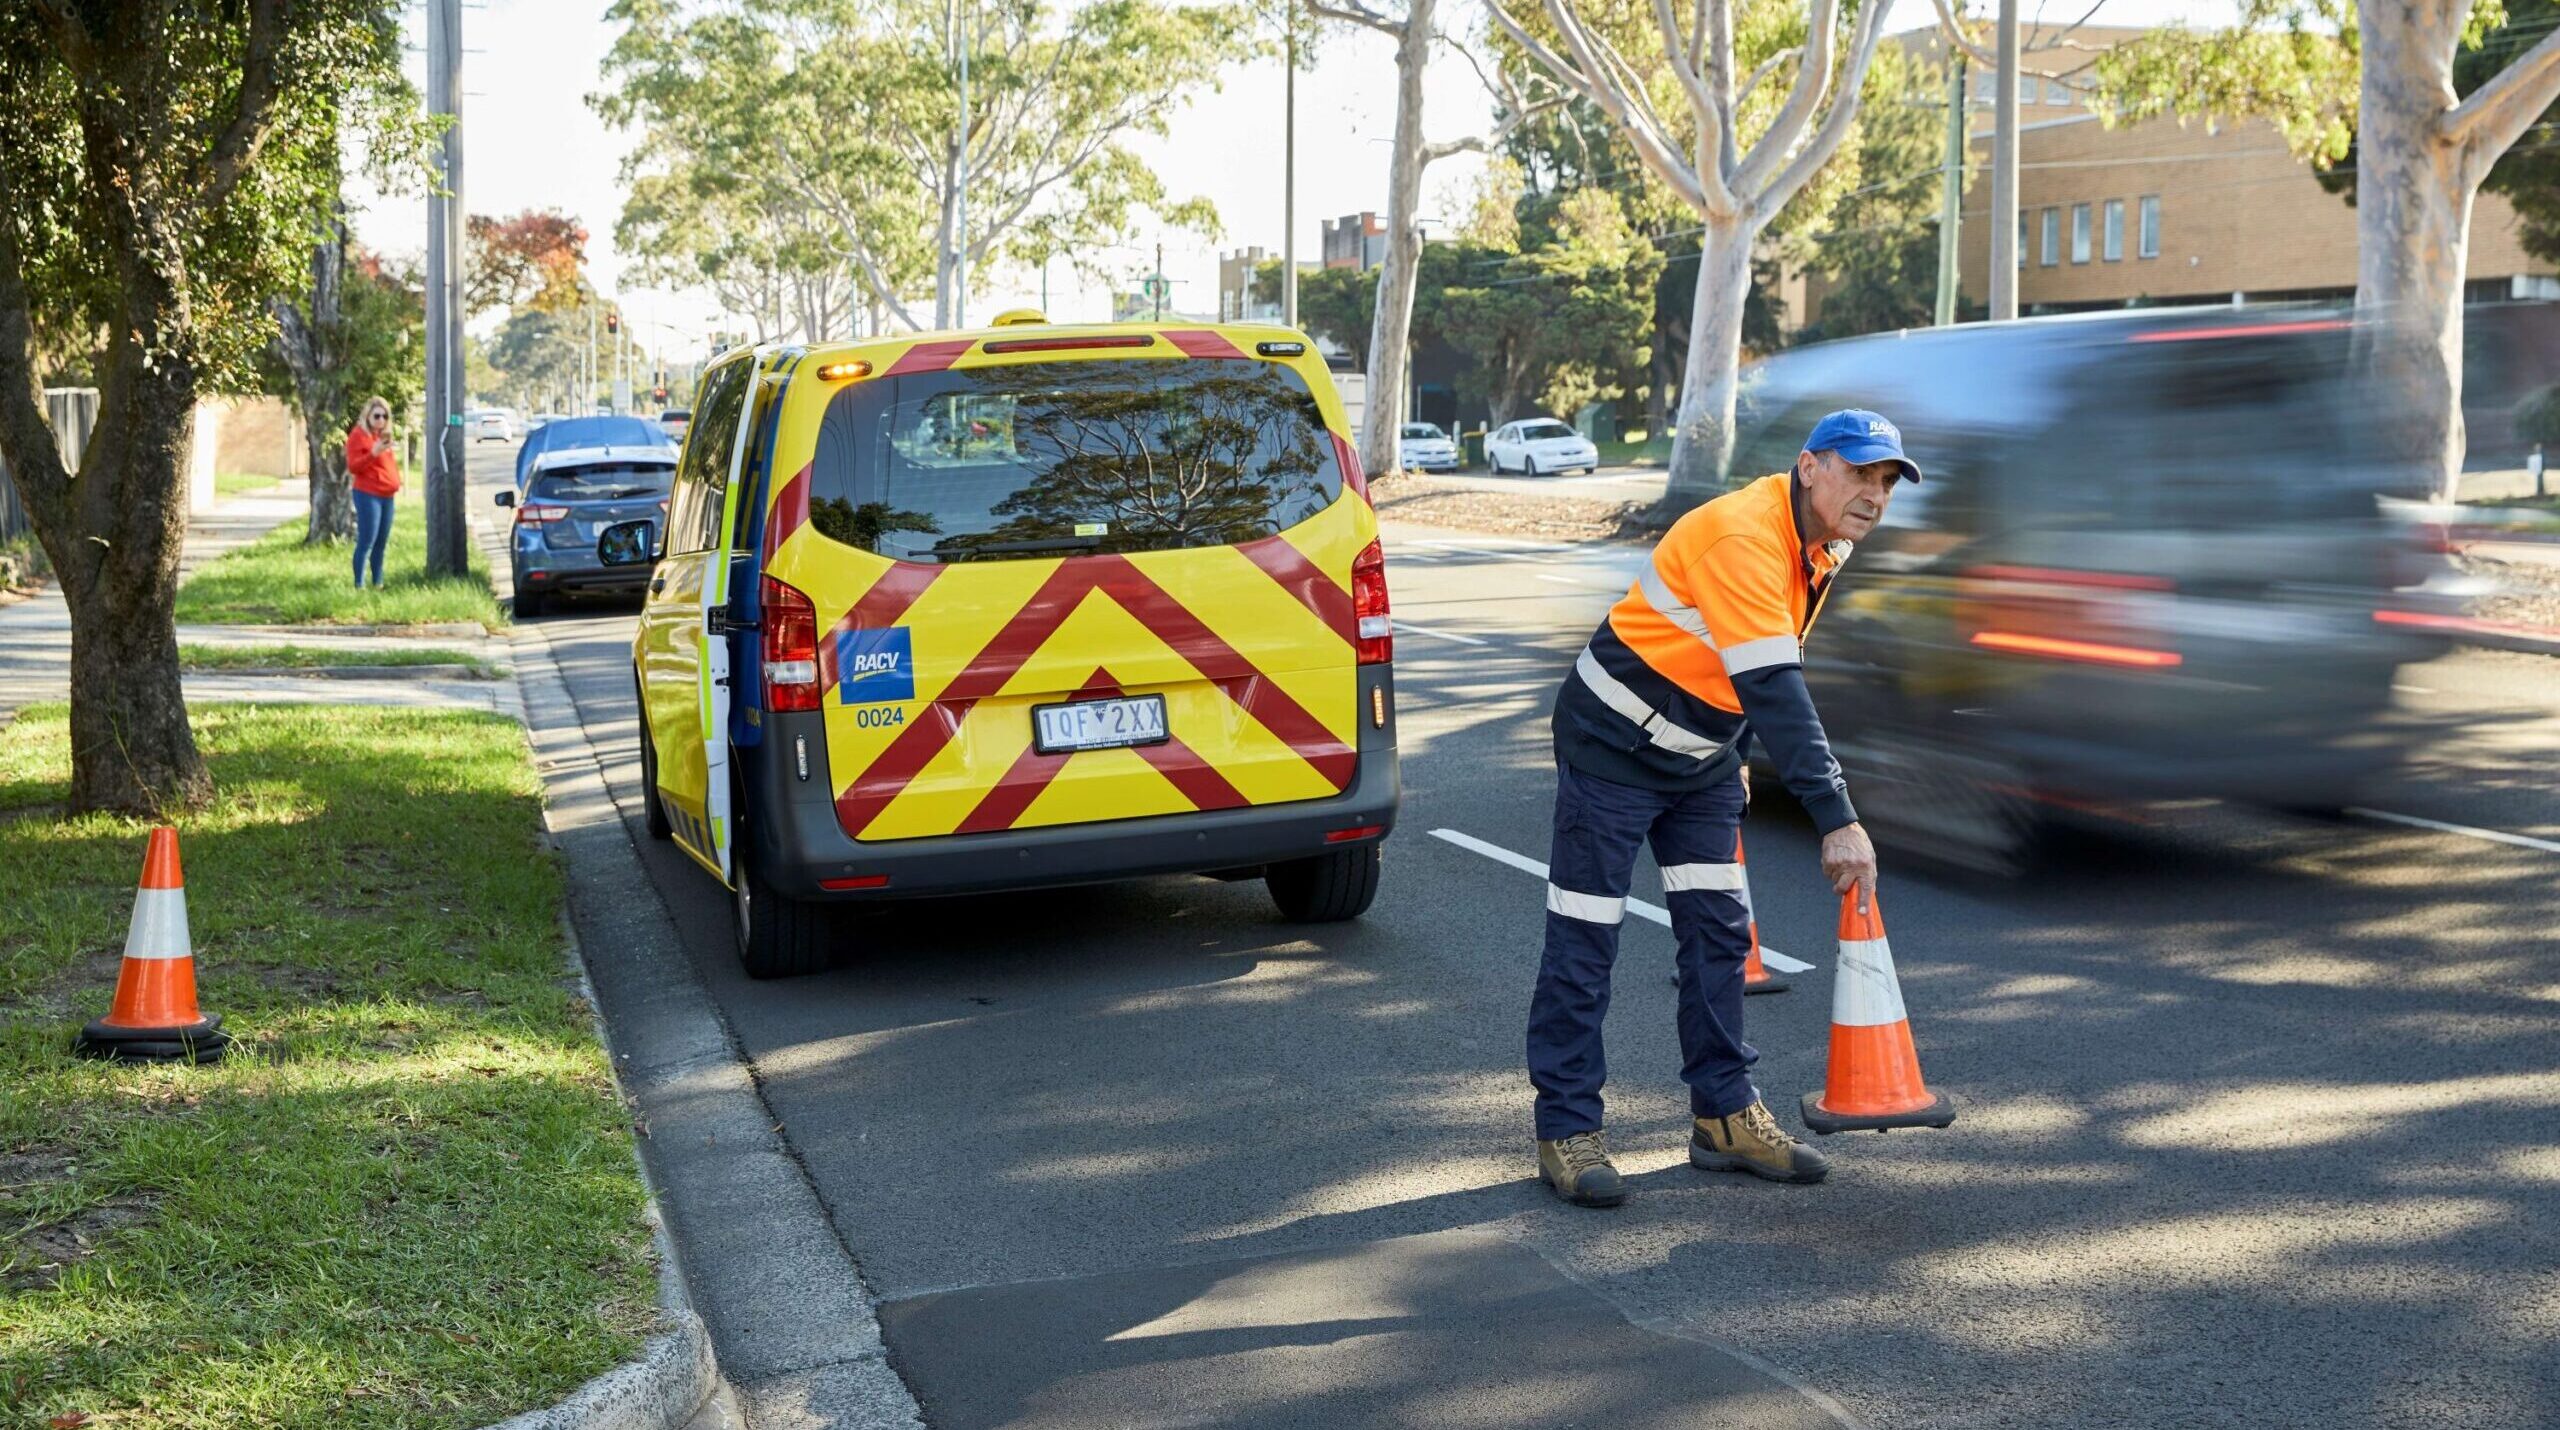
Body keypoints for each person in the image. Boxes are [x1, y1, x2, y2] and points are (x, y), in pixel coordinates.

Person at [1526, 409, 1916, 1207]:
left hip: (1698, 759)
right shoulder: (1744, 535)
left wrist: (1731, 754)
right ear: (1809, 467)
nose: (1874, 495)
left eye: (1885, 482)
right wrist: (1838, 818)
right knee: (1587, 936)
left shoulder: (1819, 543)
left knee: (1718, 932)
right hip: (1612, 749)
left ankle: (1724, 1115)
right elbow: (1776, 687)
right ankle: (1567, 1127)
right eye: (1859, 473)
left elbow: (1743, 653)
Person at [346, 397, 401, 589]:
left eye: (384, 416)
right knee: (367, 540)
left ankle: (378, 582)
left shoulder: (381, 437)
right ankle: (359, 585)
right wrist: (373, 453)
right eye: (376, 415)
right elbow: (353, 466)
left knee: (381, 542)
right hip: (368, 494)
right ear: (367, 415)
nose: (381, 419)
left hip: (387, 495)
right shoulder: (358, 436)